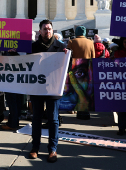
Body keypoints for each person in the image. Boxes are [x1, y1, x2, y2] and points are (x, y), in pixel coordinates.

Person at [29, 19, 66, 163]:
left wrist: (68, 56)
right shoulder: (33, 47)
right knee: (36, 119)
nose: (47, 31)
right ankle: (35, 148)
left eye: (49, 28)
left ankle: (52, 149)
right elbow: (24, 65)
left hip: (53, 87)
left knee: (53, 120)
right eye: (44, 29)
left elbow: (67, 68)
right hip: (37, 88)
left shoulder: (61, 47)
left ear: (53, 30)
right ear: (40, 31)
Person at [66, 26, 95, 120]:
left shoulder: (72, 42)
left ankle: (78, 112)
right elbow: (93, 57)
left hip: (75, 69)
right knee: (86, 90)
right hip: (87, 69)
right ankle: (86, 112)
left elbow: (68, 56)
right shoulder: (90, 42)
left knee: (76, 90)